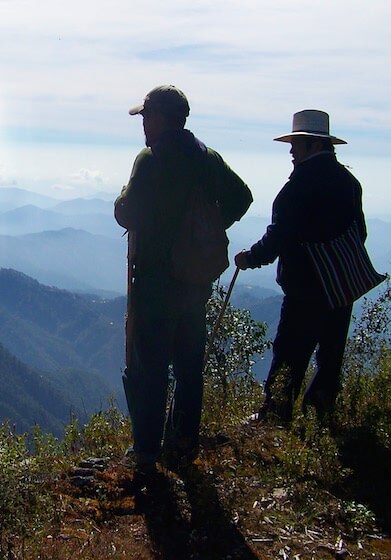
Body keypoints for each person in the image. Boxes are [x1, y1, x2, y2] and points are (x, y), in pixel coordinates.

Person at [114, 85, 252, 473]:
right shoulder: (208, 158)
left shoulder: (150, 159)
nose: (143, 124)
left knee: (149, 366)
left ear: (160, 117)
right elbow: (242, 197)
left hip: (156, 281)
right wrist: (205, 229)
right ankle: (184, 441)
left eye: (145, 116)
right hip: (194, 280)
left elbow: (128, 214)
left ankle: (146, 451)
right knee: (189, 363)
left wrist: (122, 197)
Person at [234, 109, 364, 425]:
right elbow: (359, 233)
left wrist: (249, 258)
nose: (291, 151)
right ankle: (319, 413)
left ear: (314, 146)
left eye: (297, 144)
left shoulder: (297, 188)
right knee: (329, 354)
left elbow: (279, 236)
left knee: (290, 352)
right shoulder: (349, 183)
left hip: (305, 287)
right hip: (342, 284)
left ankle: (276, 416)